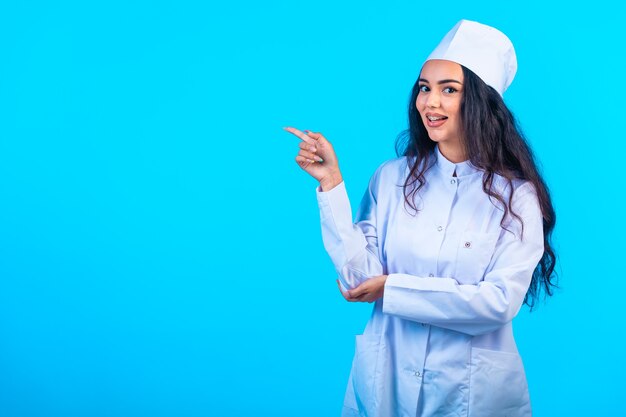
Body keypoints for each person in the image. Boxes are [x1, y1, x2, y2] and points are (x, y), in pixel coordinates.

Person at [284, 19, 557, 417]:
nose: (430, 102)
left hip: (471, 395)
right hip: (386, 382)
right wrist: (332, 183)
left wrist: (392, 290)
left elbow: (497, 303)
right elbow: (359, 280)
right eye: (424, 88)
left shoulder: (517, 198)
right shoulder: (391, 178)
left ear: (481, 101)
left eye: (449, 90)